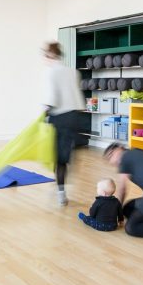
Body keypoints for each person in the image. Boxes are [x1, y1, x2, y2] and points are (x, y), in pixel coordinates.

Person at [42, 41, 84, 206]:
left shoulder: (52, 72)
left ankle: (61, 193)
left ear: (50, 55)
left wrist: (43, 113)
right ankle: (61, 186)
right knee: (63, 155)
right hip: (75, 116)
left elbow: (52, 99)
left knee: (58, 158)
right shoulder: (73, 72)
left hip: (59, 117)